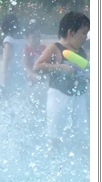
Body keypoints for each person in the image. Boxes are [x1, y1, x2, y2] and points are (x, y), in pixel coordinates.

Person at [33, 11, 90, 150]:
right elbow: (37, 67)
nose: (86, 37)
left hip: (79, 97)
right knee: (55, 137)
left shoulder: (81, 52)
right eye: (84, 33)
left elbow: (85, 71)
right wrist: (60, 67)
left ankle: (83, 159)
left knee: (82, 136)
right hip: (59, 96)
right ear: (71, 32)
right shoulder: (55, 48)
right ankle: (51, 158)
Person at [0, 14, 27, 95]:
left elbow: (7, 56)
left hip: (12, 71)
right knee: (21, 92)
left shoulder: (8, 40)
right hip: (22, 70)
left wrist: (4, 72)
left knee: (10, 93)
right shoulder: (23, 40)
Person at [23, 20, 45, 85]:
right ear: (26, 38)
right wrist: (31, 74)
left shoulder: (44, 48)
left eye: (39, 36)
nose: (37, 39)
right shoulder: (26, 50)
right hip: (31, 79)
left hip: (42, 77)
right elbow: (24, 65)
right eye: (34, 37)